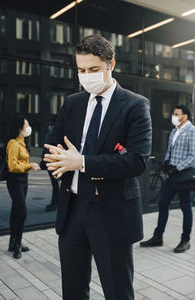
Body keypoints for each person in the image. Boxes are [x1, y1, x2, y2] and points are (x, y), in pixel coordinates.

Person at [43, 34, 152, 300]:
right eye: (81, 70)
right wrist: (57, 159)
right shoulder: (73, 103)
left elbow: (136, 161)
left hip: (111, 212)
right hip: (73, 210)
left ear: (111, 64)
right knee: (73, 290)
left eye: (93, 69)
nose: (86, 75)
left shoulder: (135, 105)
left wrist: (80, 162)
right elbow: (53, 144)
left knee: (117, 292)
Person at [140, 105, 195, 253]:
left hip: (184, 177)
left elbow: (193, 156)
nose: (174, 116)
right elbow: (169, 151)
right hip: (171, 177)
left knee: (186, 208)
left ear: (186, 116)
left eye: (177, 114)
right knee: (163, 204)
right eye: (173, 113)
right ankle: (158, 237)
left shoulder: (192, 131)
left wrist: (177, 167)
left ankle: (185, 240)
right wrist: (166, 163)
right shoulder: (173, 131)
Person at [6, 115, 40, 259]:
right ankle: (17, 244)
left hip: (23, 180)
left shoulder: (22, 142)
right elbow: (12, 166)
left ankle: (13, 242)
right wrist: (29, 166)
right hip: (15, 180)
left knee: (16, 211)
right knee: (22, 212)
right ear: (20, 128)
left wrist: (28, 167)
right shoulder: (14, 143)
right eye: (26, 125)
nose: (28, 127)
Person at [41, 118, 60, 212]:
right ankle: (56, 202)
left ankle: (55, 203)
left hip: (54, 162)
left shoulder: (55, 135)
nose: (50, 127)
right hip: (49, 161)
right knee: (55, 184)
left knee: (55, 184)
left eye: (52, 125)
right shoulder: (49, 134)